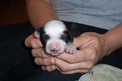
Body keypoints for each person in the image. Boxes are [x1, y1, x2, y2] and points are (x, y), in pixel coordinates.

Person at [0, 0, 122, 81]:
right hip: (48, 20)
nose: (53, 47)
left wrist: (108, 43)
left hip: (112, 33)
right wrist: (47, 29)